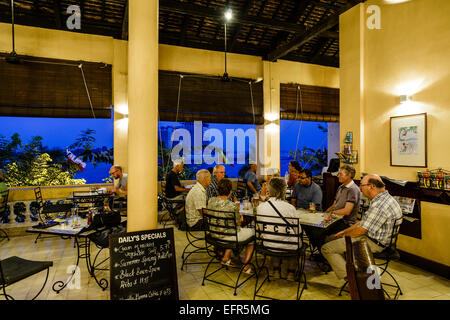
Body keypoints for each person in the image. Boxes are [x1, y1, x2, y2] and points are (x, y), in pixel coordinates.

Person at [321, 174, 403, 281]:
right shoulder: (386, 198)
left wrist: (343, 236)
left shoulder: (379, 205)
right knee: (331, 238)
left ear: (371, 186)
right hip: (380, 240)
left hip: (375, 244)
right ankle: (355, 270)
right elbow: (362, 223)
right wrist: (344, 232)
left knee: (327, 248)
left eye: (361, 185)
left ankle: (354, 281)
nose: (359, 188)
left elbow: (361, 230)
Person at [257, 177, 302, 281]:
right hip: (288, 246)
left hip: (268, 245)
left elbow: (260, 228)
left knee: (274, 237)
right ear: (283, 191)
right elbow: (298, 231)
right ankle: (291, 273)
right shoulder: (290, 208)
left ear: (270, 190)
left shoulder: (261, 207)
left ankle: (276, 270)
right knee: (292, 240)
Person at [207, 178, 254, 273]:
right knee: (253, 233)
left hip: (213, 234)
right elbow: (239, 223)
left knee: (231, 228)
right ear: (230, 192)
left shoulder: (210, 201)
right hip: (228, 237)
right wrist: (241, 216)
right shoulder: (232, 206)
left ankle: (226, 256)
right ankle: (246, 265)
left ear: (217, 190)